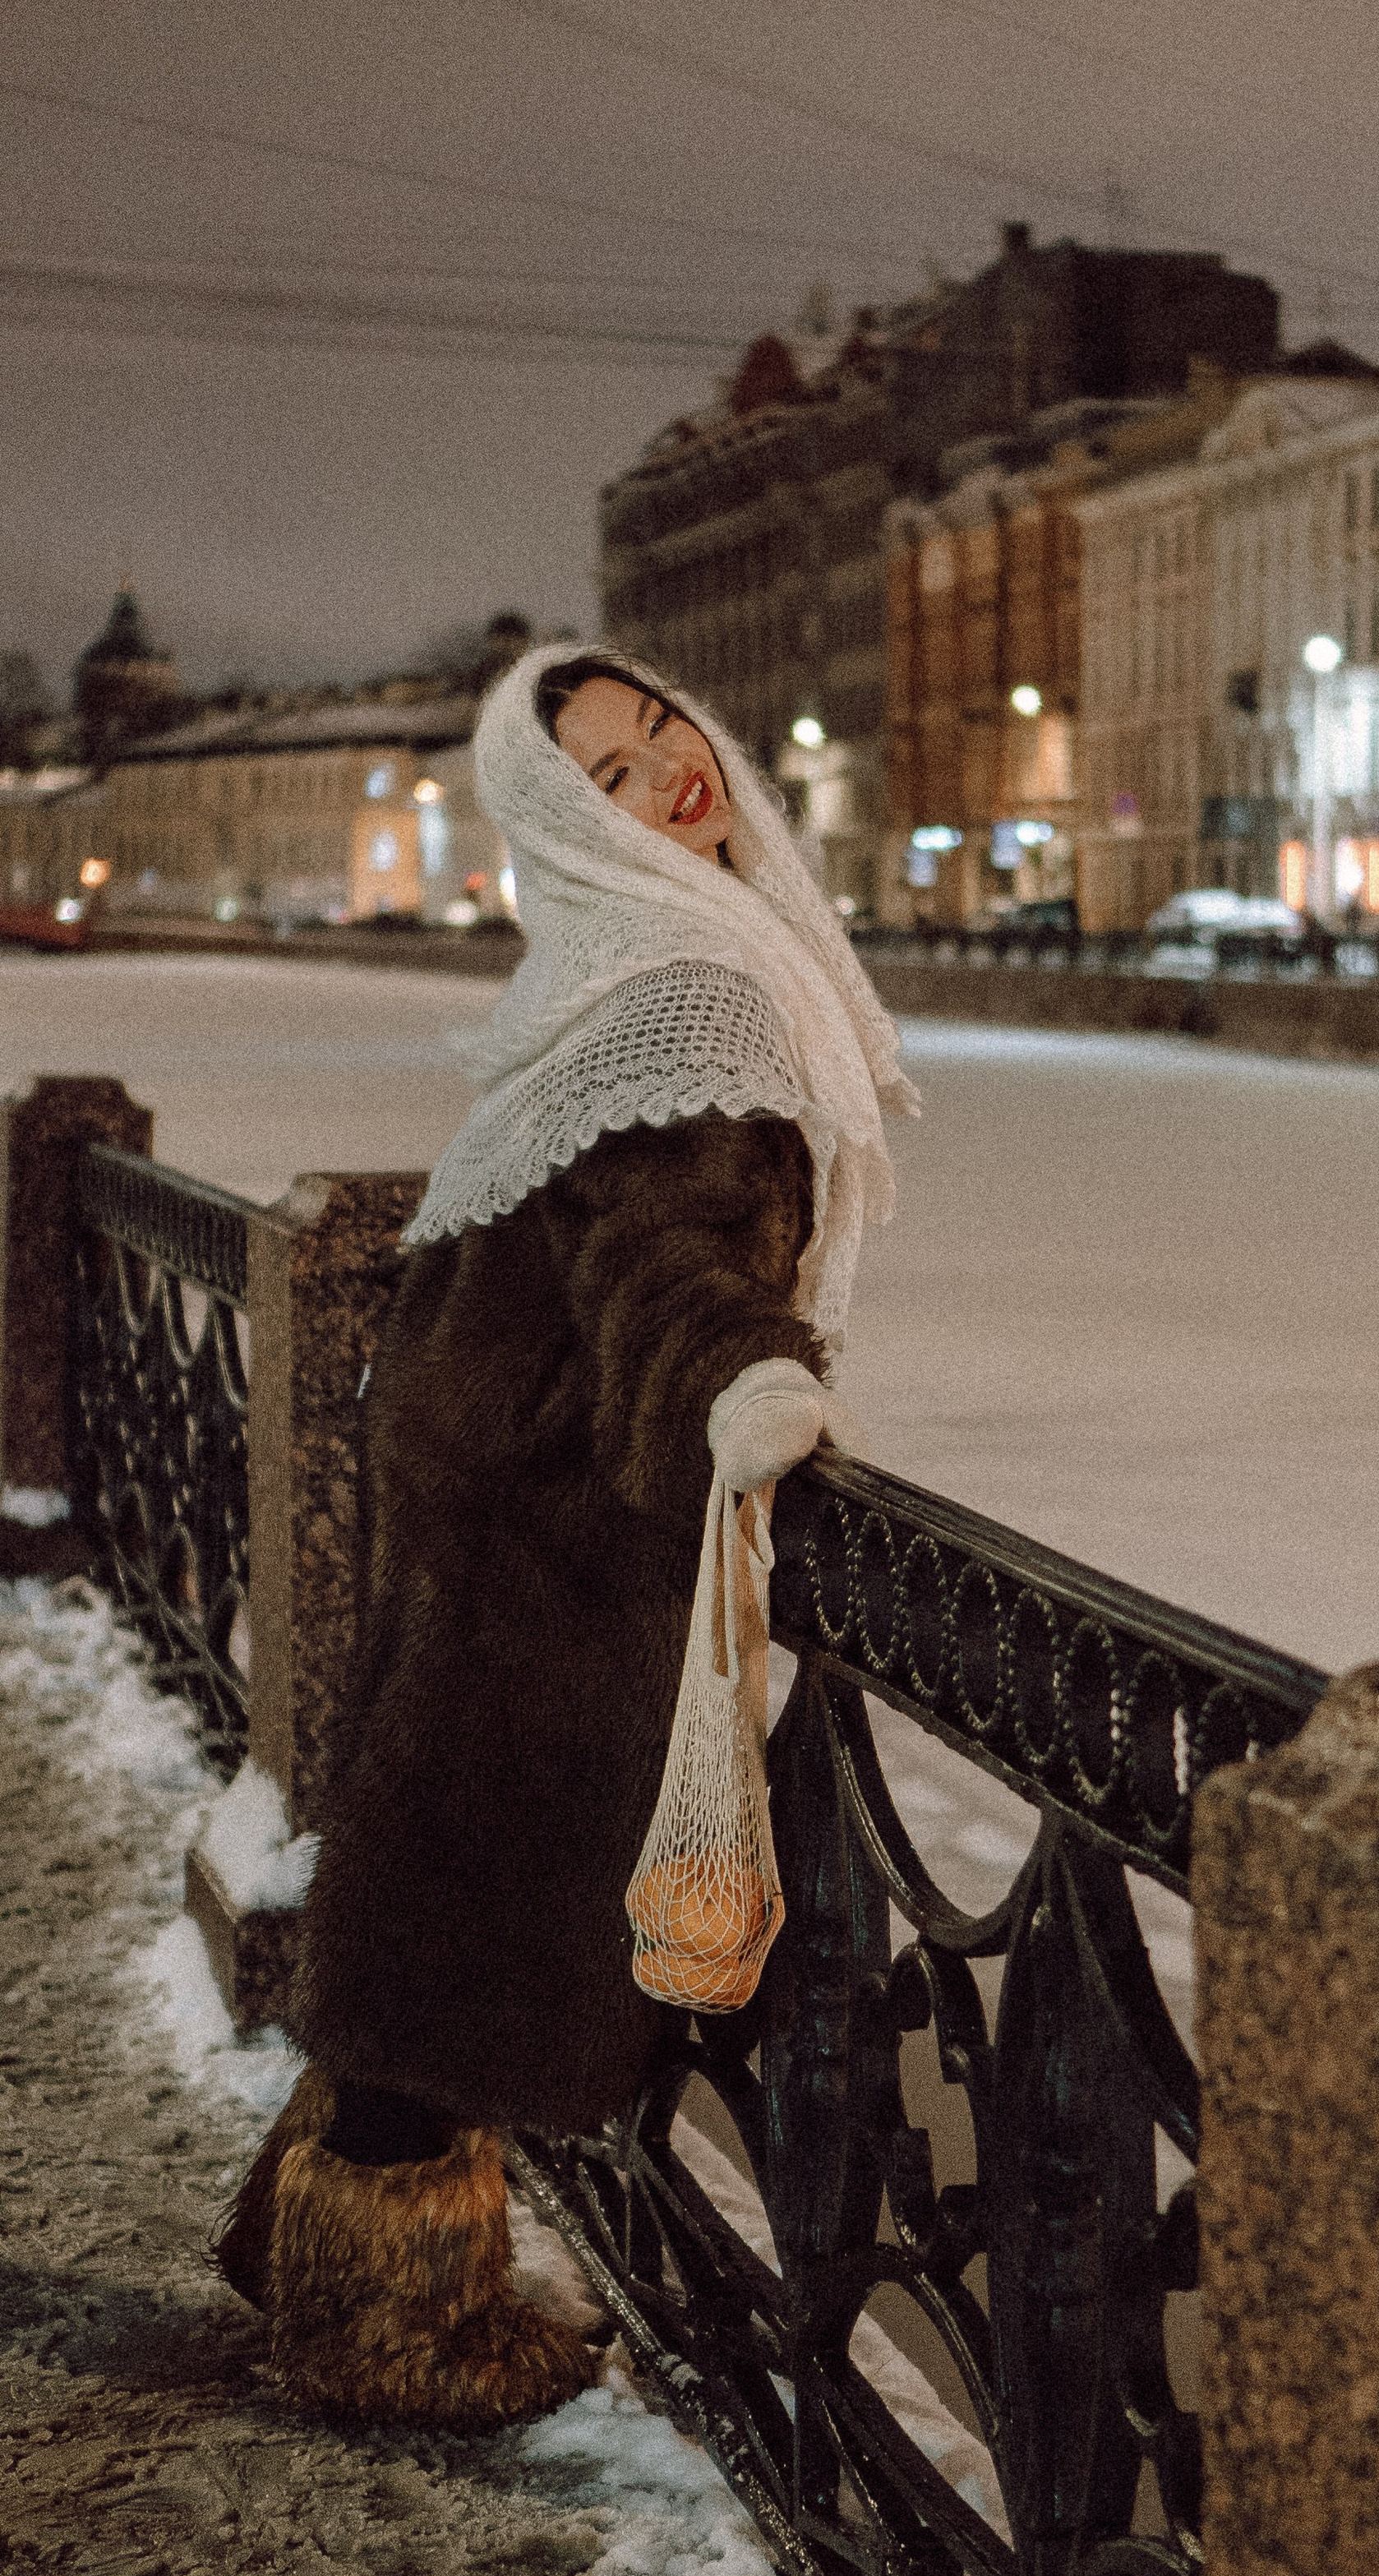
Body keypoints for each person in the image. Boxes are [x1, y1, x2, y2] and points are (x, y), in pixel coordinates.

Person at [214, 644, 915, 2431]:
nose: (666, 770)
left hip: (486, 1485)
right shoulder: (692, 985)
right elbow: (658, 1248)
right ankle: (388, 2322)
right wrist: (742, 1379)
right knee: (464, 1950)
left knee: (418, 1912)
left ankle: (293, 2237)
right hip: (556, 1530)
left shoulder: (619, 957)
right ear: (564, 827)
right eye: (603, 775)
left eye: (658, 726)